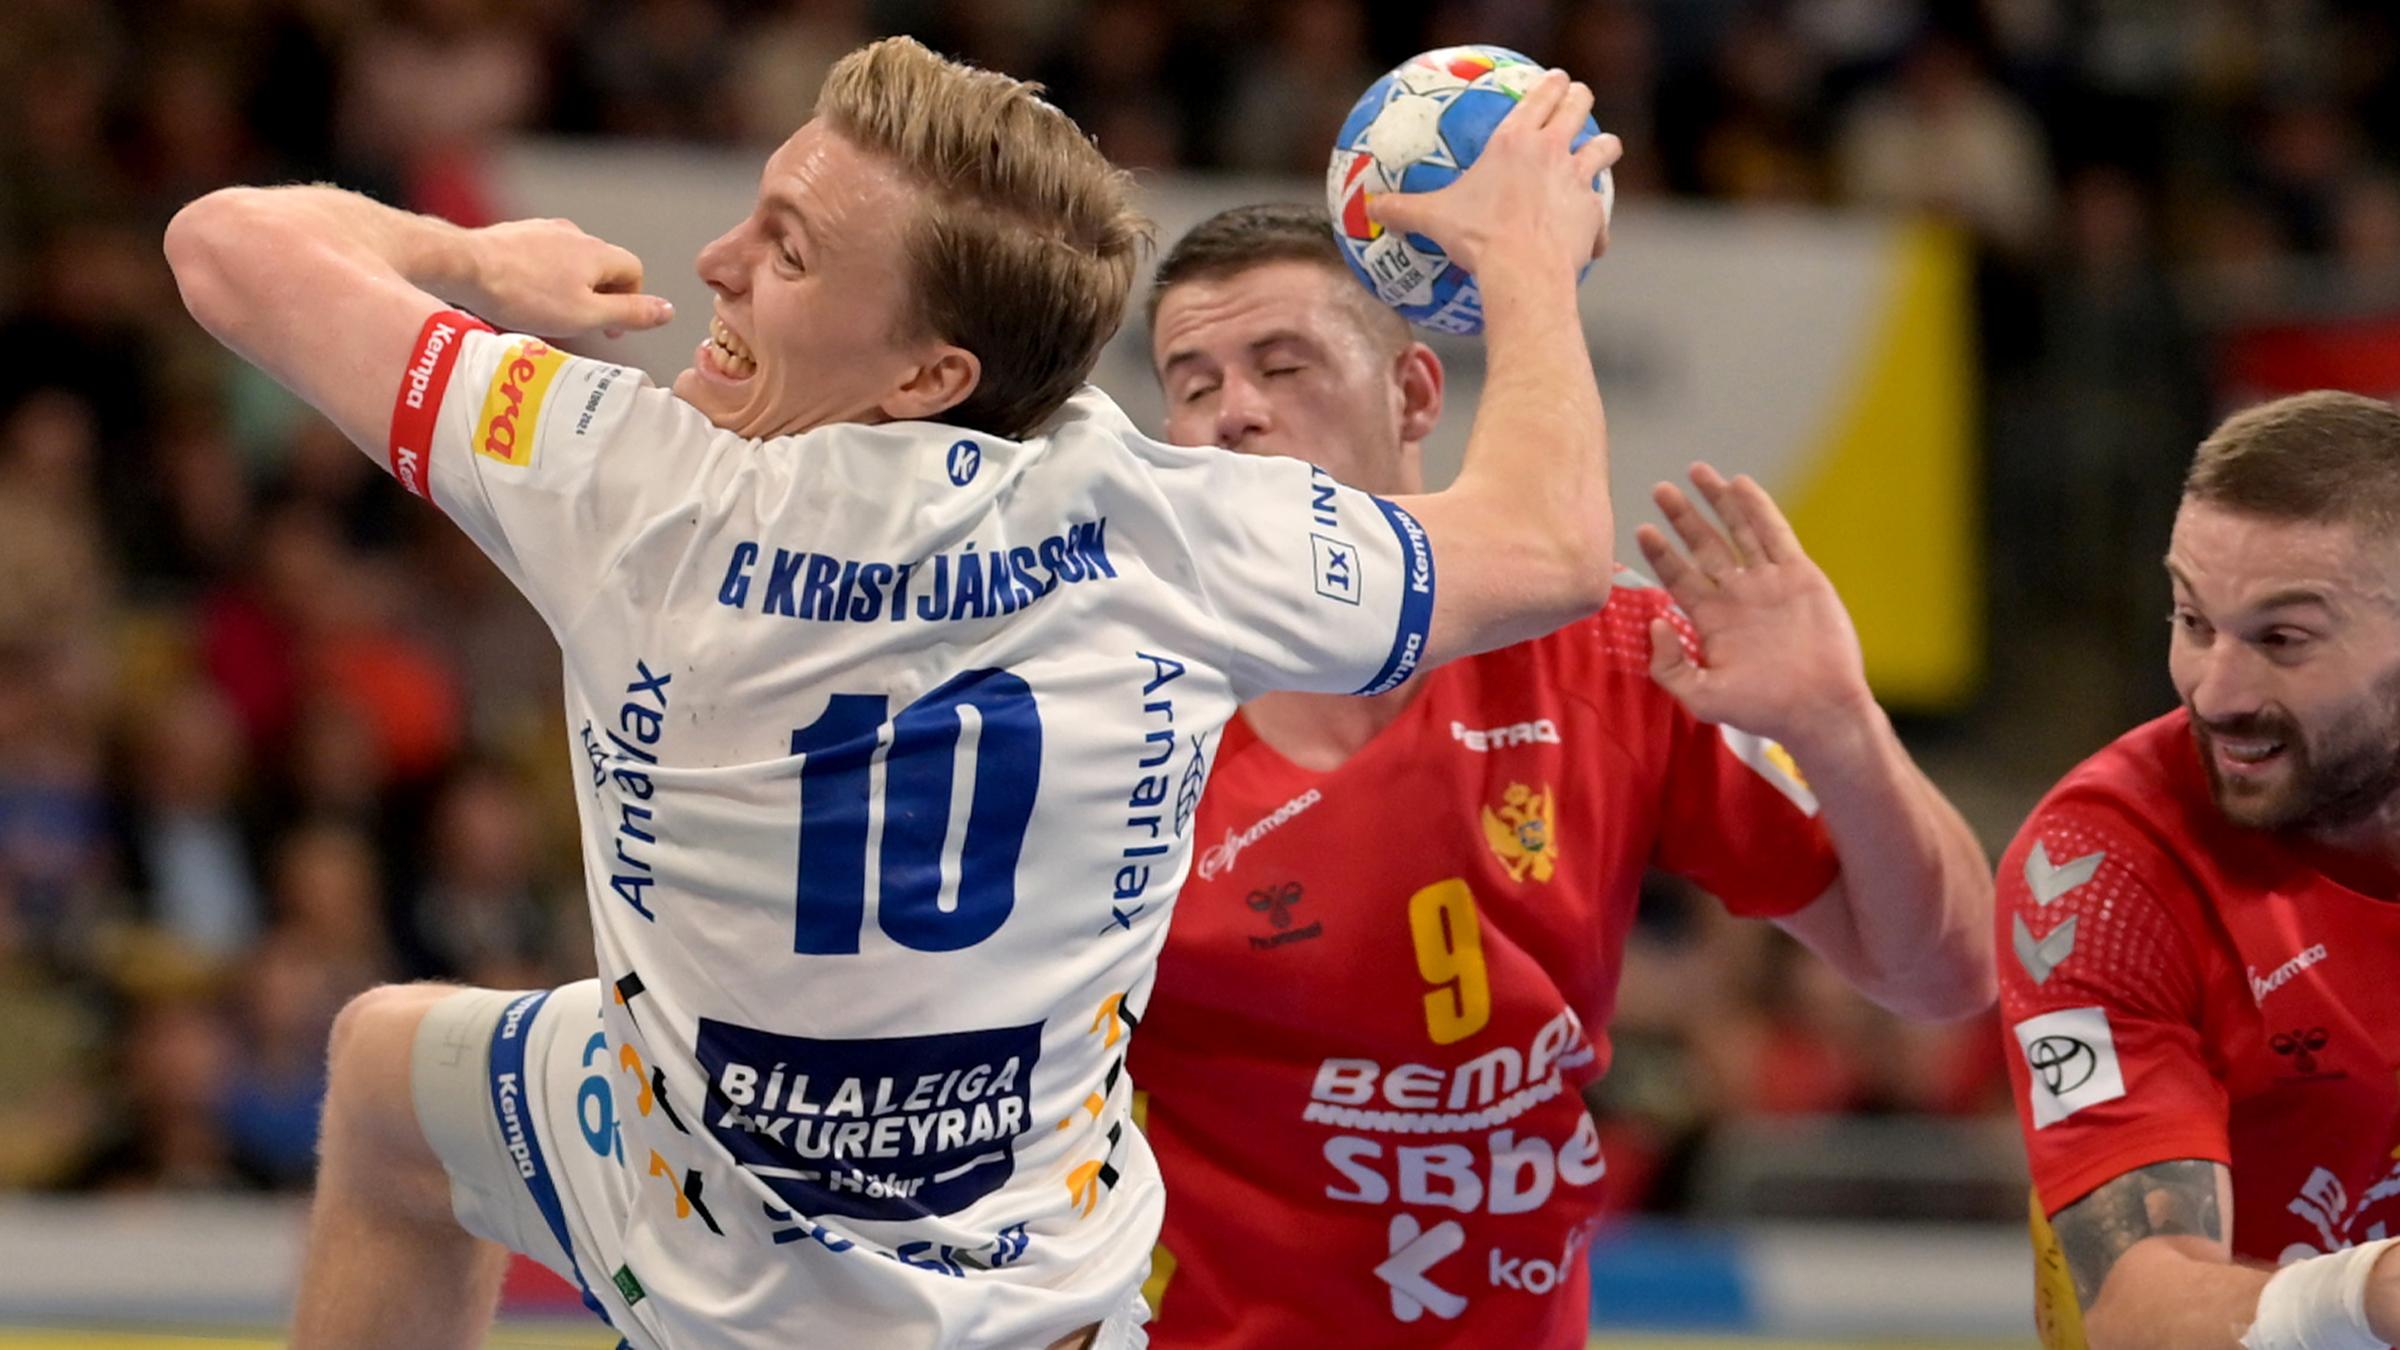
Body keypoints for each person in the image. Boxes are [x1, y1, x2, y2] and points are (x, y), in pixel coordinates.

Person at [163, 37, 1624, 1350]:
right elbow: (1552, 546)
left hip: (721, 1284)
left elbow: (224, 246)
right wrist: (1528, 259)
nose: (720, 262)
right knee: (385, 1072)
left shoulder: (628, 485)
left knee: (387, 1083)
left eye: (787, 253)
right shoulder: (1169, 525)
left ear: (930, 374)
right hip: (1046, 1311)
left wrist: (472, 263)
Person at [1127, 202, 1996, 1347]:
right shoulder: (1120, 713)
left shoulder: (1611, 660)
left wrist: (1840, 727)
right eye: (1192, 385)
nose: (1234, 411)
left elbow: (1947, 975)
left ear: (1415, 395)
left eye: (1283, 366)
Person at [1999, 391, 2400, 1350]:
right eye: (2193, 620)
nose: (2215, 692)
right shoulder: (2093, 874)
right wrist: (2377, 1292)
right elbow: (2138, 1311)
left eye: (2282, 639)